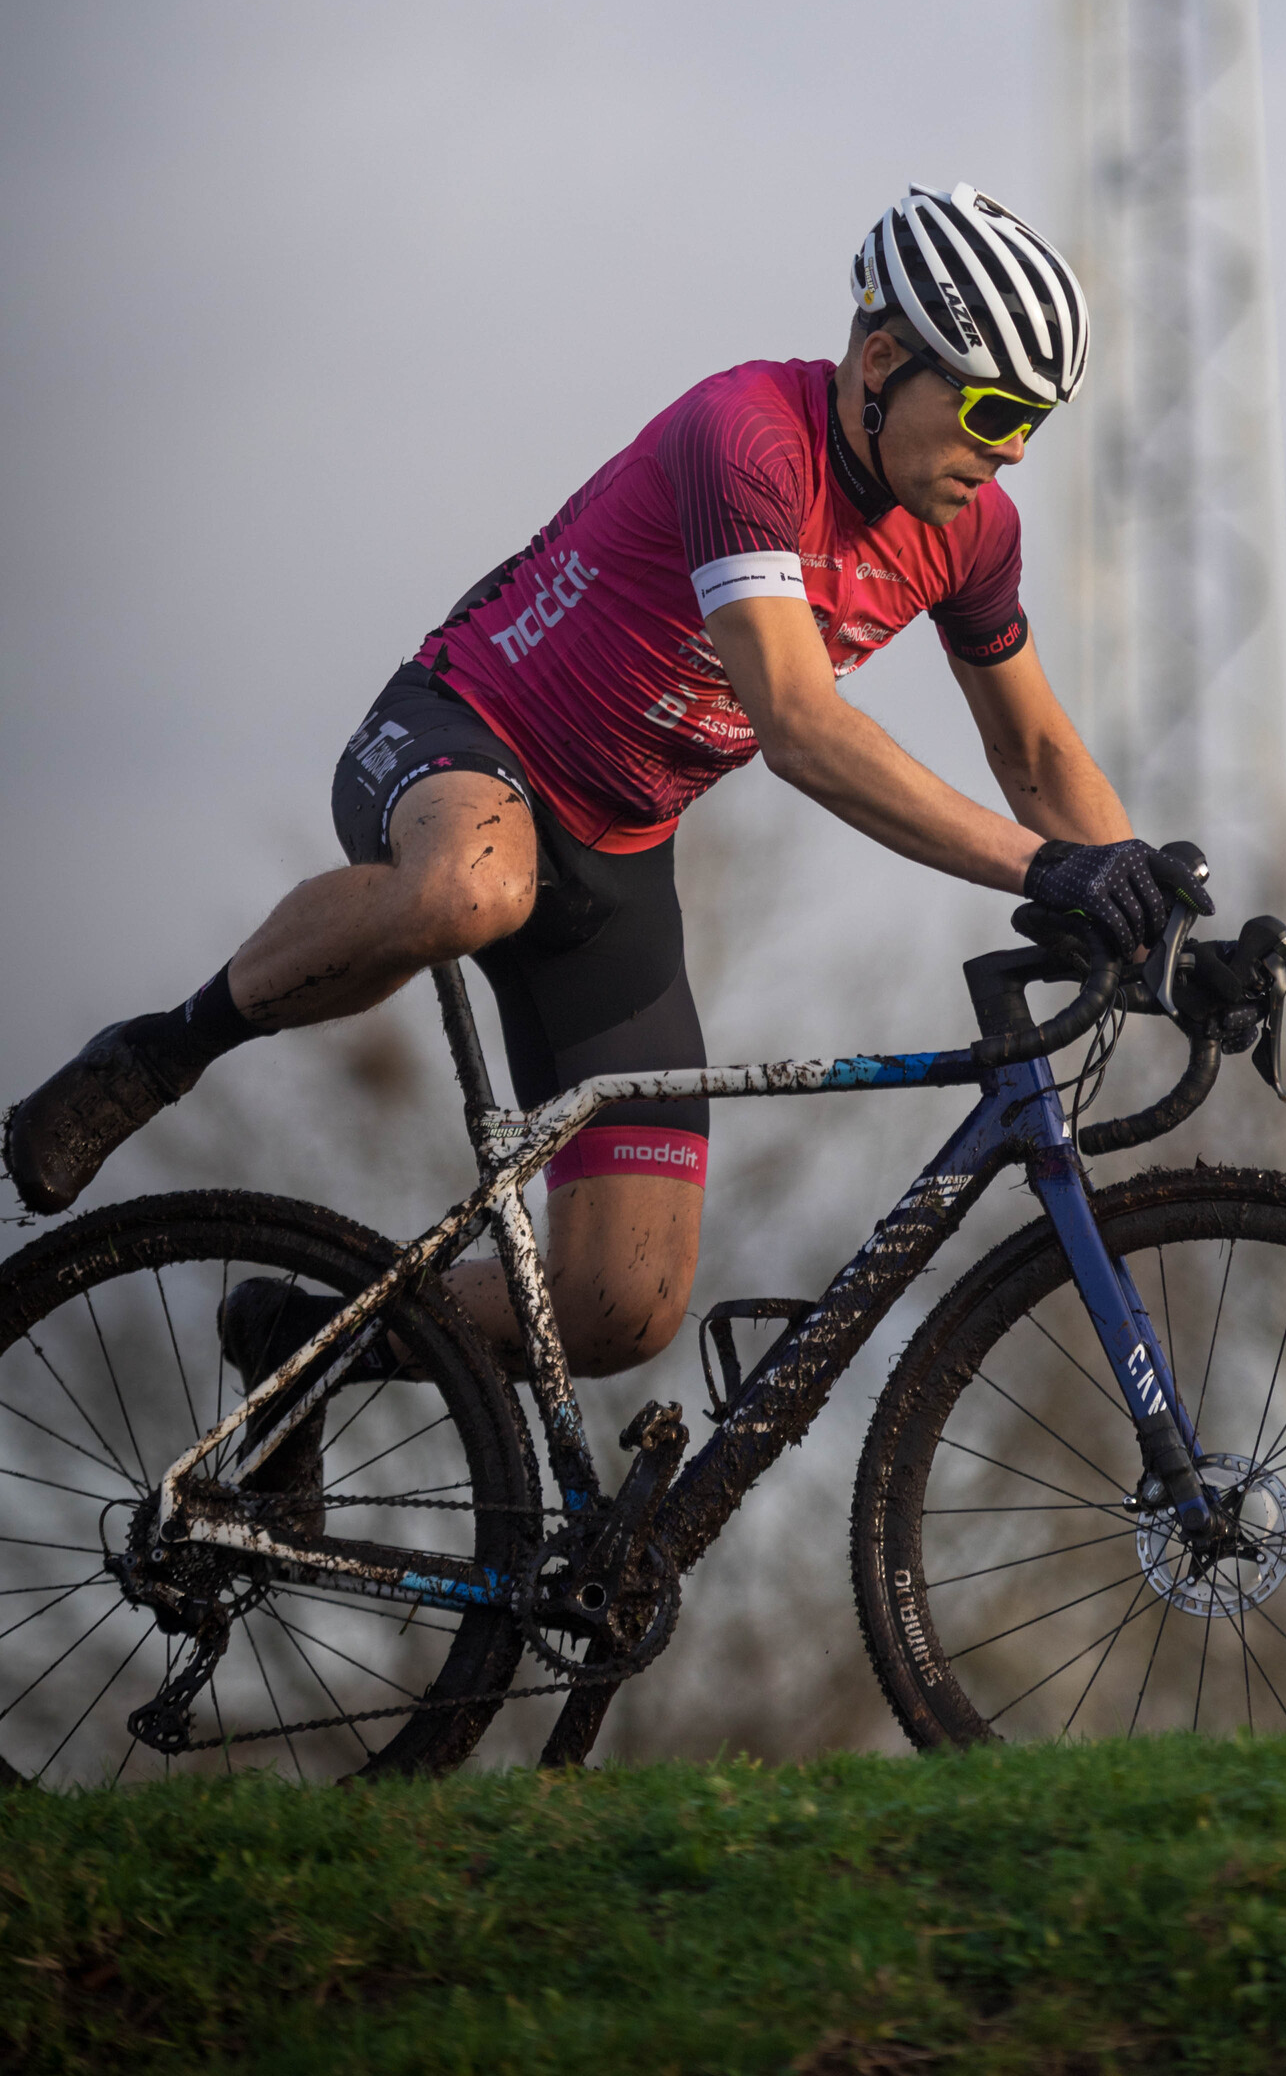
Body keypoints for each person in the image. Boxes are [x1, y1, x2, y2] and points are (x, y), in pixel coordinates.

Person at [6, 183, 1208, 1394]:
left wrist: (1161, 922)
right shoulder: (746, 437)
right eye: (994, 408)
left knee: (618, 1312)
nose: (1008, 450)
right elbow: (796, 725)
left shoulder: (973, 532)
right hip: (463, 741)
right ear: (883, 359)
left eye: (1035, 424)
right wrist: (1049, 871)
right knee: (474, 889)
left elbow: (1038, 758)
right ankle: (161, 1051)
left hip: (619, 861)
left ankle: (304, 1351)